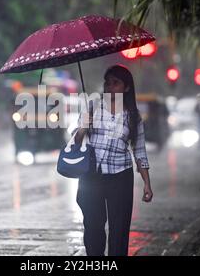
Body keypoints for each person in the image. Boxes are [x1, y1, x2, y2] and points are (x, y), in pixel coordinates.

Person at [73, 64, 153, 256]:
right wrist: (84, 127)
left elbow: (139, 151)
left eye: (115, 83)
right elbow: (76, 141)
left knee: (119, 229)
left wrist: (147, 184)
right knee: (93, 226)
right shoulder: (93, 107)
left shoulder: (133, 116)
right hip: (92, 176)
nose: (109, 87)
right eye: (107, 83)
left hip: (120, 177)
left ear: (126, 88)